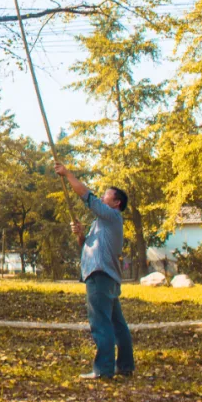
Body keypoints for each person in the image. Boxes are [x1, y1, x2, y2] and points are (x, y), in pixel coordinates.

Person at [55, 162, 135, 380]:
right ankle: (125, 365)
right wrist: (80, 234)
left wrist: (67, 174)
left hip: (100, 277)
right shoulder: (101, 224)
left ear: (116, 203)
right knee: (117, 324)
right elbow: (87, 247)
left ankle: (103, 370)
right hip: (107, 277)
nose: (102, 198)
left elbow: (87, 196)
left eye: (106, 197)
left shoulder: (112, 216)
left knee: (101, 323)